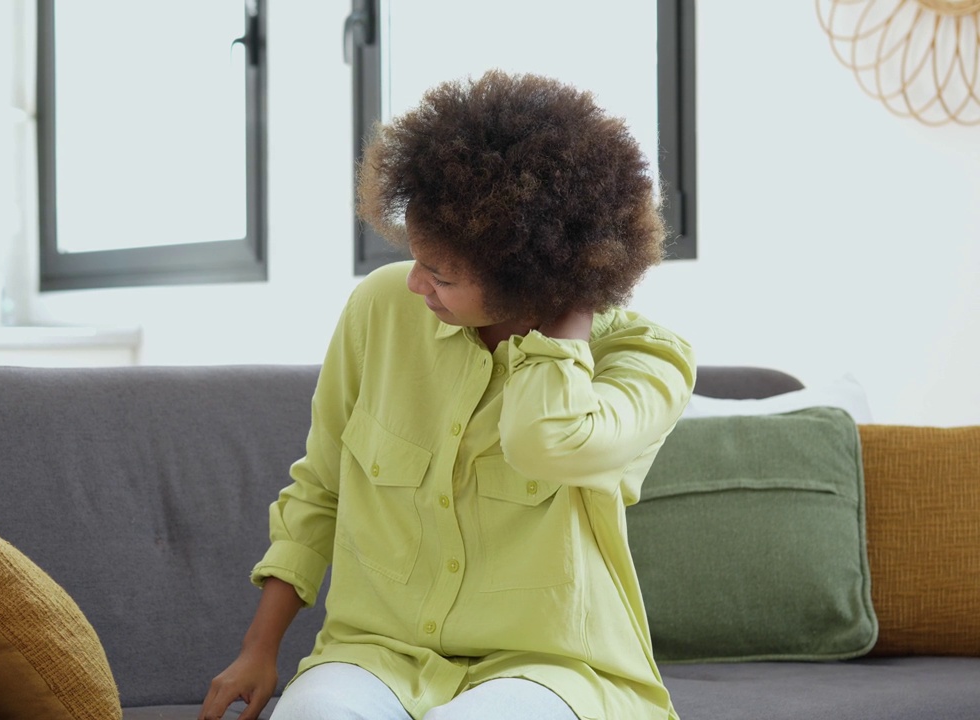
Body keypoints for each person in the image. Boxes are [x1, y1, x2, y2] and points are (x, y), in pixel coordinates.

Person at [200, 69, 696, 720]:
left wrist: (569, 308)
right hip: (377, 656)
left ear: (530, 277)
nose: (413, 284)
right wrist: (258, 649)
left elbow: (548, 441)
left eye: (440, 274)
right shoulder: (377, 311)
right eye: (415, 255)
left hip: (553, 670)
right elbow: (319, 487)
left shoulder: (647, 363)